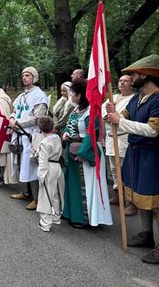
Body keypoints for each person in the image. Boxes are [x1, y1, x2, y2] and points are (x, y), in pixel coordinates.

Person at [106, 55, 159, 264]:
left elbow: (153, 130)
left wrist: (120, 121)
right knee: (139, 197)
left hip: (152, 157)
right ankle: (147, 235)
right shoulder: (138, 98)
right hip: (135, 154)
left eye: (133, 74)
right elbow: (125, 118)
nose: (130, 77)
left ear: (144, 75)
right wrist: (112, 115)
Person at [62, 78, 112, 228]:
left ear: (80, 95)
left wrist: (82, 153)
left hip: (86, 153)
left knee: (84, 187)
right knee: (73, 184)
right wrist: (65, 133)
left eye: (73, 93)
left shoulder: (92, 111)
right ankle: (72, 213)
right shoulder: (76, 109)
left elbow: (91, 135)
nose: (71, 96)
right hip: (73, 150)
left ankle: (85, 218)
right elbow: (69, 126)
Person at [9, 67, 49, 210]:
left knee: (32, 166)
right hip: (19, 135)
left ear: (34, 78)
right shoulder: (21, 96)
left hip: (31, 136)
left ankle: (37, 199)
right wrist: (12, 119)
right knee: (22, 164)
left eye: (27, 75)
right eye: (23, 75)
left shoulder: (40, 96)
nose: (24, 78)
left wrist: (17, 123)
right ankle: (26, 193)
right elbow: (14, 112)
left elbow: (38, 117)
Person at [102, 74, 136, 215]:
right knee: (113, 169)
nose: (122, 83)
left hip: (123, 138)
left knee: (125, 170)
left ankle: (130, 202)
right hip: (110, 137)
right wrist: (109, 115)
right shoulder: (113, 97)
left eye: (125, 81)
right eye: (120, 80)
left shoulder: (134, 99)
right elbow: (104, 111)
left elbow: (123, 117)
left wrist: (113, 116)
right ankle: (117, 195)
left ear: (131, 84)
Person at [35, 116, 64, 232]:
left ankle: (45, 223)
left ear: (40, 128)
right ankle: (56, 216)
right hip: (57, 166)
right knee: (55, 193)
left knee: (45, 195)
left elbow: (43, 163)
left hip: (48, 168)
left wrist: (40, 176)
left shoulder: (44, 143)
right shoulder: (56, 137)